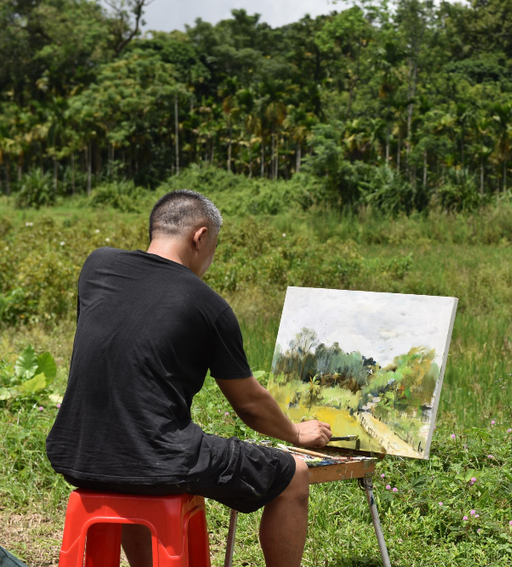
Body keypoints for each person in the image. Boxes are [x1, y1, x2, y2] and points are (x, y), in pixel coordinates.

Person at [46, 189, 331, 567]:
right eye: (214, 246)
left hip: (77, 454)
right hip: (160, 460)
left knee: (136, 474)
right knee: (293, 473)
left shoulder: (97, 267)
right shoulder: (207, 305)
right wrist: (296, 433)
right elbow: (248, 403)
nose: (211, 258)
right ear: (200, 236)